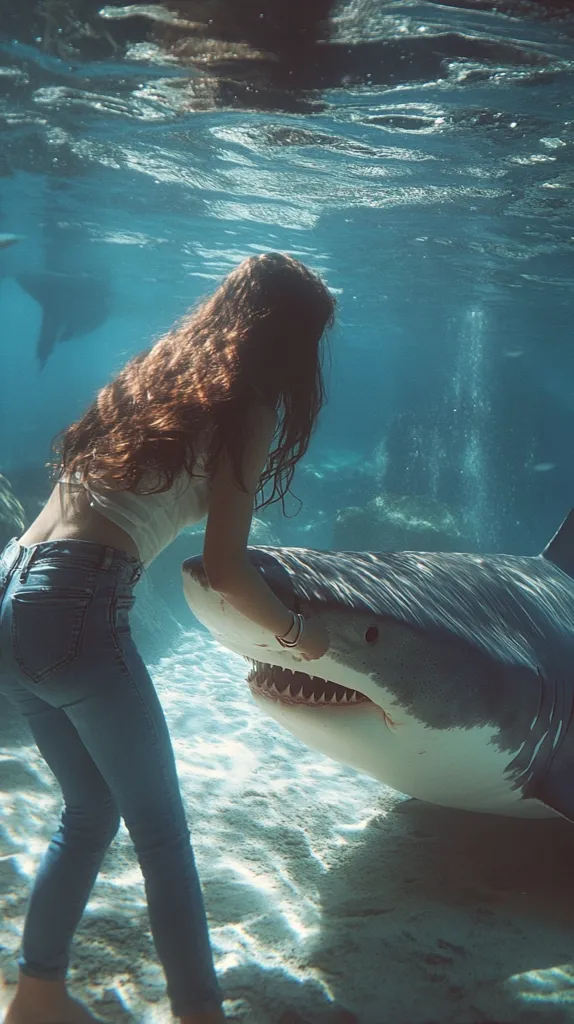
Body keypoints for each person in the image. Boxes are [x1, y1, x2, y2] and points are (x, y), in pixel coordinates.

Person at [0, 253, 335, 1024]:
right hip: (74, 603)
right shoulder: (246, 408)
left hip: (10, 587)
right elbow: (226, 570)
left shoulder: (154, 375)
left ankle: (38, 995)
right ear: (293, 343)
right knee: (161, 832)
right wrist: (297, 634)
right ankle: (199, 1013)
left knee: (89, 809)